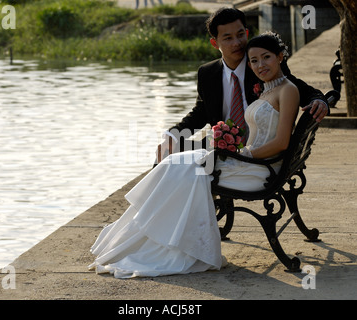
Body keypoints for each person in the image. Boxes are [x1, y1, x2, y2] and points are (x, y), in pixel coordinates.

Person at [88, 32, 300, 278]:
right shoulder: (266, 89)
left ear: (280, 57)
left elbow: (282, 142)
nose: (260, 65)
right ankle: (149, 231)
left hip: (259, 168)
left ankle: (166, 240)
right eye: (253, 60)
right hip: (249, 160)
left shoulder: (288, 90)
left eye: (266, 58)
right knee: (174, 164)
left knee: (183, 169)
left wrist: (244, 154)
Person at [156, 7, 328, 164]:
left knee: (185, 168)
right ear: (215, 43)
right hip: (221, 144)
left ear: (247, 33)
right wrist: (173, 134)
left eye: (240, 35)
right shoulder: (207, 73)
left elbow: (299, 88)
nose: (237, 42)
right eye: (228, 38)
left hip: (256, 148)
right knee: (166, 152)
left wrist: (318, 99)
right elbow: (201, 112)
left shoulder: (262, 67)